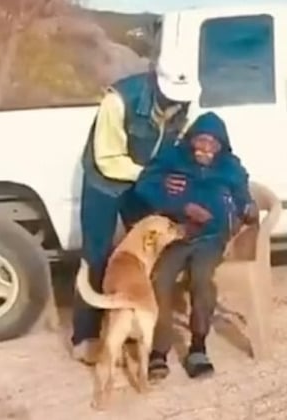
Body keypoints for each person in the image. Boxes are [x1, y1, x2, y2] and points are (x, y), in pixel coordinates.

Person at [71, 58, 201, 363]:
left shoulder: (182, 106)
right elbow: (107, 158)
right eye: (172, 95)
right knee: (97, 255)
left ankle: (139, 325)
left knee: (149, 254)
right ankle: (86, 336)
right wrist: (152, 175)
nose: (177, 103)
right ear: (155, 80)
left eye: (182, 98)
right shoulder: (118, 101)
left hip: (143, 180)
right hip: (105, 182)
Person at [133, 111, 259, 379]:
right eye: (200, 141)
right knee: (160, 280)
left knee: (201, 278)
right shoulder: (172, 159)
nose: (204, 149)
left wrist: (248, 207)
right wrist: (180, 205)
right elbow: (144, 185)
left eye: (212, 144)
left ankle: (198, 347)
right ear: (191, 140)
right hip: (176, 235)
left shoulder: (230, 167)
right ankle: (159, 350)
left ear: (221, 146)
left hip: (211, 239)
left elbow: (243, 197)